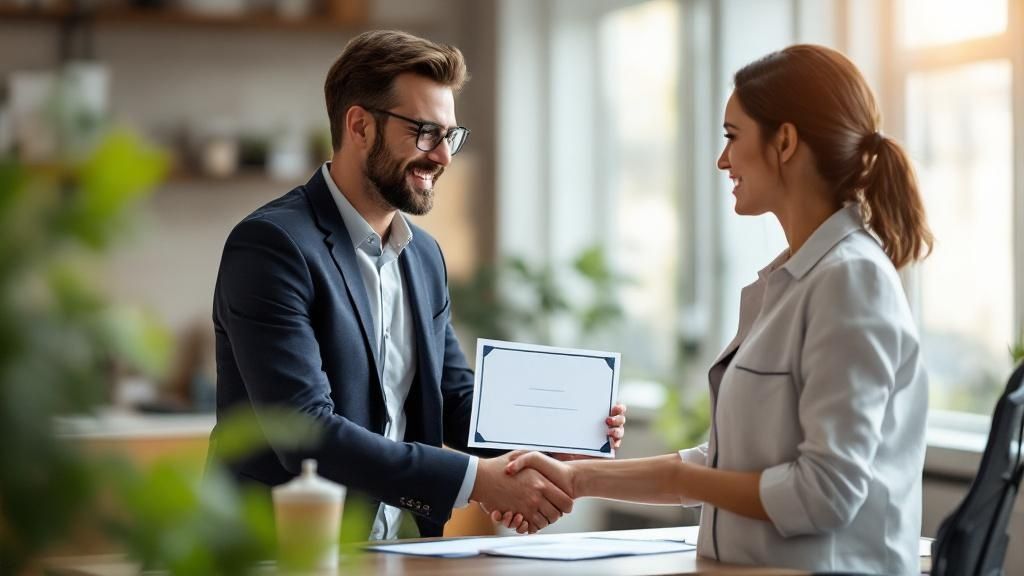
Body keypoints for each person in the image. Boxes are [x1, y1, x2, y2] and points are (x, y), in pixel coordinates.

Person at [496, 44, 933, 574]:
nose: (723, 160)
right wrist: (577, 478)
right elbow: (730, 464)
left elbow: (825, 493)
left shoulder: (851, 280)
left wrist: (683, 480)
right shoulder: (793, 281)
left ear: (785, 141)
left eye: (732, 136)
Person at [208, 29, 626, 540]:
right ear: (360, 126)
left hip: (401, 547)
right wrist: (477, 481)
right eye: (426, 132)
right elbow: (304, 432)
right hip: (281, 551)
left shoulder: (423, 255)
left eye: (449, 135)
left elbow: (451, 397)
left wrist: (559, 439)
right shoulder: (272, 246)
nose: (443, 156)